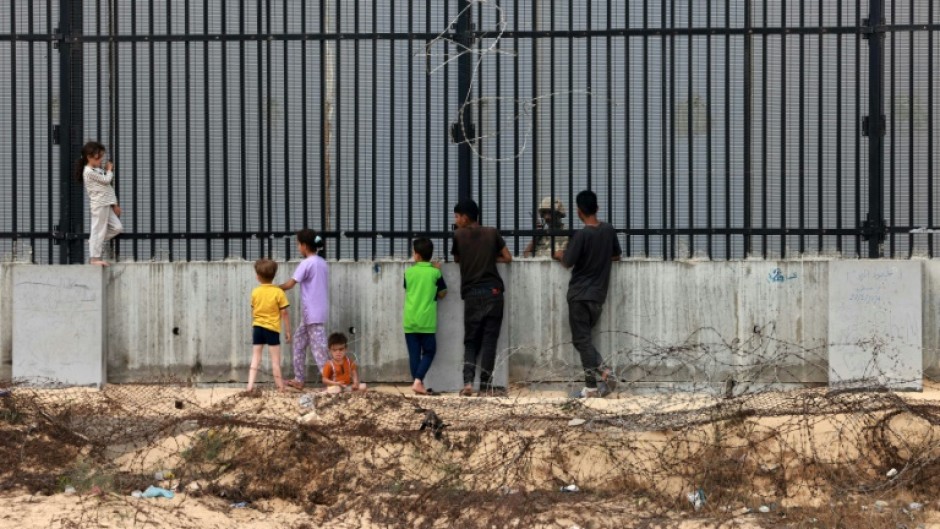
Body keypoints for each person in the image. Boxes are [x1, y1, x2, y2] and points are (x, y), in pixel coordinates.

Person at [554, 190, 622, 398]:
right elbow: (616, 256)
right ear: (597, 208)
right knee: (583, 340)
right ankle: (594, 382)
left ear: (578, 211)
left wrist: (559, 254)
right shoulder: (608, 230)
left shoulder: (582, 235)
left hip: (579, 295)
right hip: (598, 295)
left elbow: (567, 262)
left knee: (582, 340)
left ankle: (599, 378)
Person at [451, 198, 512, 397]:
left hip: (472, 295)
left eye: (457, 216)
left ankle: (468, 383)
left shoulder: (459, 236)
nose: (456, 220)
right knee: (489, 342)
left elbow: (457, 259)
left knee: (471, 342)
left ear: (465, 217)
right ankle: (485, 386)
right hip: (494, 293)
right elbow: (508, 257)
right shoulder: (492, 232)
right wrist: (490, 257)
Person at [278, 229, 329, 389]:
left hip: (312, 313)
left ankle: (330, 381)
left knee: (319, 350)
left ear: (305, 246)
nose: (298, 246)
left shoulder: (307, 263)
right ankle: (299, 379)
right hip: (315, 312)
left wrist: (273, 288)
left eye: (298, 244)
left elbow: (291, 284)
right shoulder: (321, 262)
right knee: (299, 342)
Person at [403, 237, 448, 395]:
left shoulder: (408, 273)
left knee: (414, 354)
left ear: (417, 255)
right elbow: (443, 293)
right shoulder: (435, 273)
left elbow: (407, 288)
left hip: (410, 320)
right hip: (427, 321)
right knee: (429, 351)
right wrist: (438, 272)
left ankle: (418, 384)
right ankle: (418, 381)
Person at [74, 141, 123, 266]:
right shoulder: (89, 171)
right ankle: (94, 259)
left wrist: (114, 204)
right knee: (98, 230)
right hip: (99, 205)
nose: (101, 160)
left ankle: (94, 241)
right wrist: (109, 170)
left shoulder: (96, 169)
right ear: (89, 157)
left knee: (117, 228)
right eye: (98, 157)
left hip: (107, 203)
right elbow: (107, 181)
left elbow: (108, 190)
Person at [248, 259, 291, 392]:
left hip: (257, 328)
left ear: (258, 276)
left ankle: (249, 386)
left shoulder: (255, 292)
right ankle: (280, 387)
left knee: (256, 358)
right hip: (272, 329)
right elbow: (284, 313)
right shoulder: (278, 292)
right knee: (275, 361)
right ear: (274, 276)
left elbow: (253, 310)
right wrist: (288, 331)